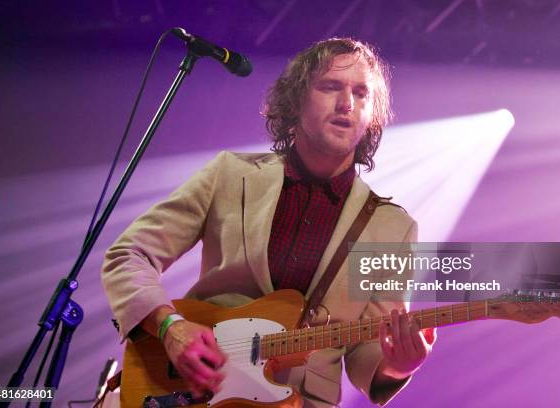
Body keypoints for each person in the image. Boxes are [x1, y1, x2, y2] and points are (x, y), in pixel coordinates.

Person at [102, 37, 436, 407]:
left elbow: (365, 353)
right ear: (295, 99)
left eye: (361, 93)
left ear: (372, 115)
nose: (347, 104)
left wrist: (398, 365)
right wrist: (170, 328)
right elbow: (128, 255)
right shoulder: (230, 174)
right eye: (330, 87)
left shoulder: (392, 228)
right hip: (188, 391)